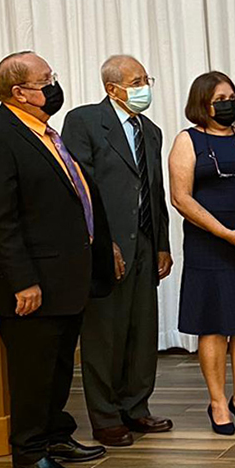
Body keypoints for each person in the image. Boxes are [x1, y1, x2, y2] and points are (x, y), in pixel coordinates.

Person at [0, 51, 114, 468]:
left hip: (65, 277)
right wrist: (23, 281)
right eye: (45, 79)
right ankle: (28, 453)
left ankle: (54, 433)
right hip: (31, 283)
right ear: (20, 92)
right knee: (33, 370)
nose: (53, 85)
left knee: (58, 363)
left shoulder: (45, 132)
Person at [61, 55, 174, 447]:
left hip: (144, 241)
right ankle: (106, 416)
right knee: (104, 334)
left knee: (141, 330)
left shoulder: (151, 130)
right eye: (137, 80)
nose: (145, 87)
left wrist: (162, 244)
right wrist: (102, 243)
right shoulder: (85, 121)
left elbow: (154, 191)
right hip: (106, 244)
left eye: (147, 79)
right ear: (113, 88)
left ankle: (136, 407)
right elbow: (81, 187)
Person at [169, 72, 235, 435]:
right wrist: (226, 234)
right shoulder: (187, 140)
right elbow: (181, 198)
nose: (226, 103)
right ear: (202, 102)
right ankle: (218, 402)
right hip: (210, 244)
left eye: (230, 96)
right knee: (214, 325)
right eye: (219, 98)